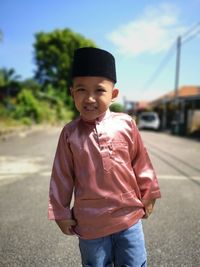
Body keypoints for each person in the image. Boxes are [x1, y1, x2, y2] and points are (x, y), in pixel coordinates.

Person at [48, 47, 161, 267]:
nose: (89, 98)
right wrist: (60, 212)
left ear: (113, 95)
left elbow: (141, 161)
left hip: (129, 216)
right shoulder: (70, 133)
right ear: (72, 93)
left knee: (135, 263)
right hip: (90, 223)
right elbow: (62, 175)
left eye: (99, 90)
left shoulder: (126, 123)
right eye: (81, 89)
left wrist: (149, 192)